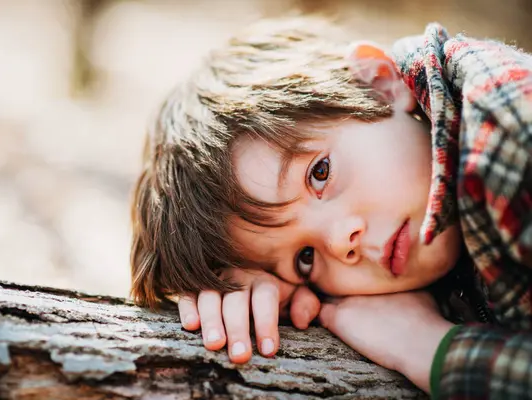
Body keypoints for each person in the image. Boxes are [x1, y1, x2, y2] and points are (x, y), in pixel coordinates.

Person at [130, 17, 532, 399]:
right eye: (305, 259)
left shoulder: (505, 135)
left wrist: (428, 346)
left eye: (320, 173)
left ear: (378, 83)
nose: (342, 245)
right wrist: (272, 301)